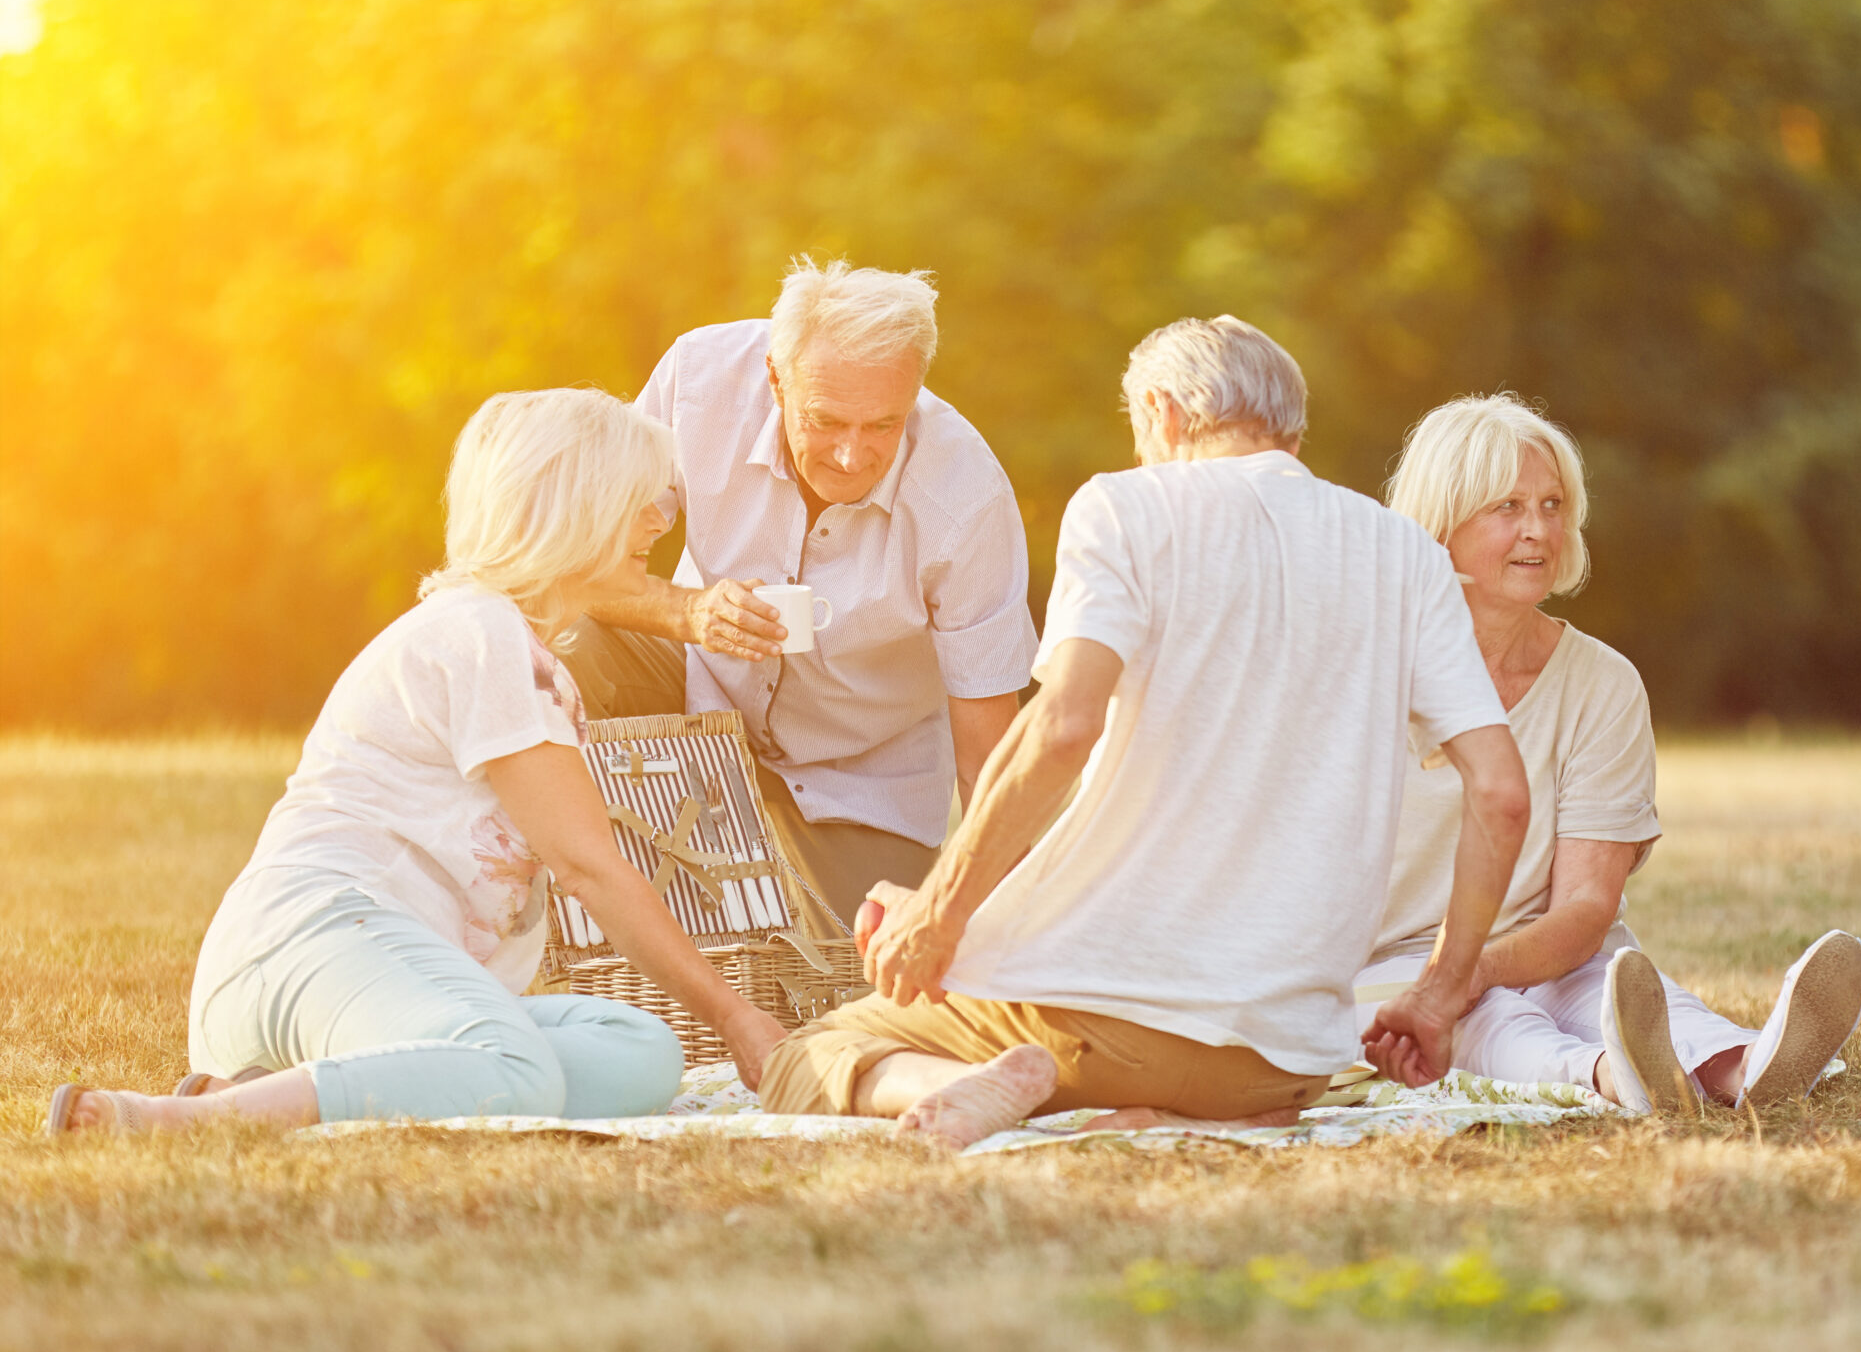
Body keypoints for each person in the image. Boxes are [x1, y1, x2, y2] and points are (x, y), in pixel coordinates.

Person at [757, 316, 1534, 1148]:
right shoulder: (1404, 552)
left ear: (1161, 412)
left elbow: (1062, 728)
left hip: (1091, 1025)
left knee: (808, 1053)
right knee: (1170, 1068)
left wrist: (940, 915)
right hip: (1282, 1064)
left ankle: (979, 1086)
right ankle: (1140, 1119)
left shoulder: (1125, 507)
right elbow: (1500, 791)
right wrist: (1441, 992)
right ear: (1290, 428)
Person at [47, 390, 793, 1136]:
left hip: (358, 982)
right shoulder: (484, 633)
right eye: (643, 501)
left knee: (639, 1053)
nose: (661, 523)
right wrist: (736, 1017)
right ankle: (185, 1121)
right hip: (319, 939)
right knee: (517, 1072)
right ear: (580, 509)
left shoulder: (507, 641)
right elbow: (588, 866)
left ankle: (259, 1089)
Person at [1354, 394, 1861, 1114]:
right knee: (1492, 1020)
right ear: (1442, 522)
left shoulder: (1603, 682)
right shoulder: (1365, 670)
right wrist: (1449, 978)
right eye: (1507, 507)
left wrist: (1478, 965)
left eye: (1553, 504)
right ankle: (1607, 1074)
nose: (1539, 530)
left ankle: (1749, 1065)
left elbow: (1587, 907)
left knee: (1615, 991)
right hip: (1398, 962)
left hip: (1555, 952)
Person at [560, 259, 1039, 919]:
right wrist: (691, 611)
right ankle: (553, 889)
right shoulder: (698, 381)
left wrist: (1003, 932)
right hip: (695, 688)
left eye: (882, 426)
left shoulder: (967, 500)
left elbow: (990, 756)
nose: (851, 456)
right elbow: (572, 562)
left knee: (843, 984)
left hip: (865, 777)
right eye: (826, 421)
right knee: (561, 640)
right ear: (775, 379)